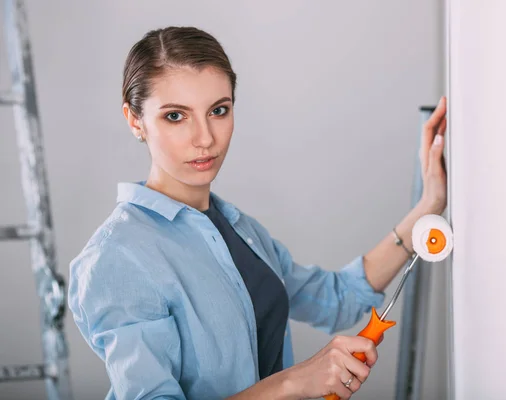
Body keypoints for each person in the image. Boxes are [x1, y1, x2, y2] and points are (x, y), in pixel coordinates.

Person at [67, 26, 447, 400]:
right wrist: (293, 383)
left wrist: (428, 207)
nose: (205, 138)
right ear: (136, 121)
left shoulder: (238, 229)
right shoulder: (117, 257)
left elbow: (337, 298)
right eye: (175, 116)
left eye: (218, 110)